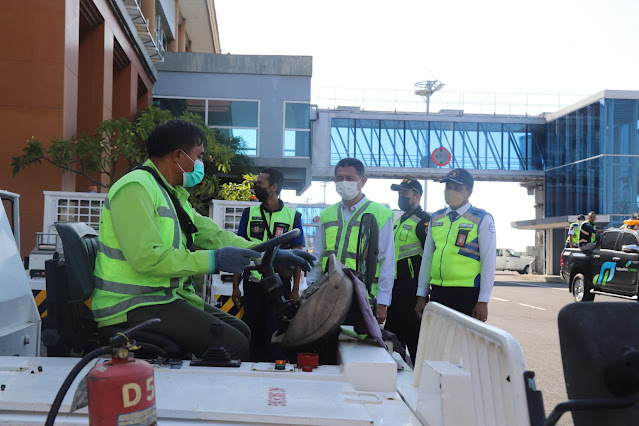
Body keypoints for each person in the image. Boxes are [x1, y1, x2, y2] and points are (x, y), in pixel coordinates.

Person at [91, 119, 314, 361]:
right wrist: (215, 260)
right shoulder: (135, 189)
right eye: (199, 156)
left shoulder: (170, 194)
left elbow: (213, 234)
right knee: (233, 344)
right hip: (130, 306)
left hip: (161, 298)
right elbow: (147, 258)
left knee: (242, 330)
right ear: (179, 155)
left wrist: (271, 253)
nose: (201, 164)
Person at [306, 158, 395, 323]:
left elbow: (387, 261)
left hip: (364, 296)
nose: (344, 183)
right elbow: (317, 257)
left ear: (363, 181)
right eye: (339, 178)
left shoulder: (380, 214)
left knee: (358, 345)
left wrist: (383, 302)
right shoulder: (327, 214)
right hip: (329, 294)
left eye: (350, 178)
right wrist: (311, 290)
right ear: (334, 181)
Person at [231, 167, 305, 361]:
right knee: (252, 329)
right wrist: (235, 286)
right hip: (253, 284)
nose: (256, 187)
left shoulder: (293, 217)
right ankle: (251, 369)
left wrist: (295, 290)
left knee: (276, 330)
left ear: (273, 187)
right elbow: (240, 251)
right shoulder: (249, 214)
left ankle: (276, 370)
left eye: (260, 184)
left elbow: (299, 257)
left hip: (280, 286)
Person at [414, 168, 496, 322]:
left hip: (467, 294)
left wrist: (483, 301)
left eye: (458, 188)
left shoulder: (482, 219)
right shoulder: (436, 218)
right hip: (438, 292)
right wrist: (421, 295)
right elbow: (428, 259)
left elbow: (488, 262)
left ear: (469, 192)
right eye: (448, 187)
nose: (451, 191)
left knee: (462, 344)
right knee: (439, 342)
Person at [386, 178, 430, 363]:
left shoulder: (424, 221)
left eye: (405, 193)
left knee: (415, 339)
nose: (401, 196)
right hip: (396, 288)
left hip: (412, 290)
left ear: (417, 196)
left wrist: (422, 295)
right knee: (393, 338)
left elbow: (429, 258)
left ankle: (421, 379)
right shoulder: (400, 220)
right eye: (399, 193)